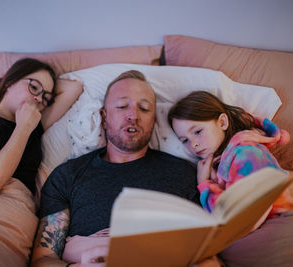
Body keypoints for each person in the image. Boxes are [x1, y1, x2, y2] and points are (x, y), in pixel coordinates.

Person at [31, 70, 200, 266]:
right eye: (121, 106)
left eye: (144, 108)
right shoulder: (67, 175)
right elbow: (43, 259)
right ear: (104, 117)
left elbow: (202, 251)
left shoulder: (182, 174)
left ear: (153, 121)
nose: (133, 115)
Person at [168, 91, 293, 222]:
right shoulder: (224, 159)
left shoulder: (246, 153)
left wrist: (204, 183)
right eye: (184, 140)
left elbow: (235, 216)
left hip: (278, 223)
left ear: (222, 123)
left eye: (197, 131)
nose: (194, 144)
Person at [0, 58, 83, 196]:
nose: (39, 99)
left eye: (45, 98)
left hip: (21, 206)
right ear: (10, 82)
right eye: (34, 87)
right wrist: (23, 128)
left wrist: (45, 86)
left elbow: (73, 88)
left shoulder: (35, 126)